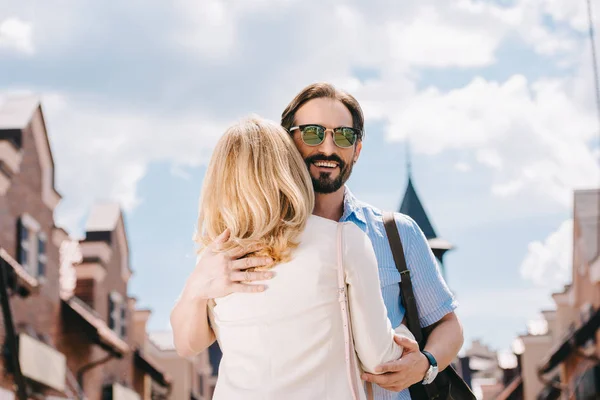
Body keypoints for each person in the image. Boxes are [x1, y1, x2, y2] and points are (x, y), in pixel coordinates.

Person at [171, 83, 464, 400]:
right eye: (312, 133)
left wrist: (426, 364)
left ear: (358, 149)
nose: (328, 148)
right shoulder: (242, 243)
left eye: (343, 136)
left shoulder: (397, 232)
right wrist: (197, 285)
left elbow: (448, 325)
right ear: (287, 142)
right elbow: (188, 343)